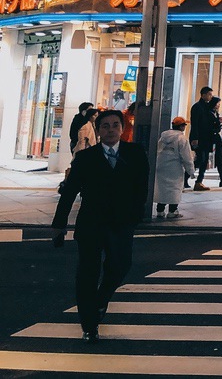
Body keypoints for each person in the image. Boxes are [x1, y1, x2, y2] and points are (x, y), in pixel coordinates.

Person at [51, 109, 149, 342]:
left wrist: (137, 215)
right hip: (91, 224)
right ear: (98, 130)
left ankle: (102, 298)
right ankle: (89, 325)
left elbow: (141, 187)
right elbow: (70, 192)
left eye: (115, 125)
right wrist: (59, 223)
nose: (111, 130)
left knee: (121, 265)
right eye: (105, 126)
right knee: (87, 273)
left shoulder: (135, 153)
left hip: (122, 223)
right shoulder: (86, 158)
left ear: (122, 128)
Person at [155, 117, 194, 218]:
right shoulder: (182, 138)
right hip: (175, 167)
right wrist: (191, 171)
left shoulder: (163, 137)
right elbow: (187, 156)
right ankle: (172, 211)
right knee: (175, 188)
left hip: (161, 165)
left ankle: (160, 210)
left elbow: (157, 151)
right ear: (181, 126)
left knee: (161, 188)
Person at [189, 86, 217, 190]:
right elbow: (195, 123)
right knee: (200, 159)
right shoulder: (197, 107)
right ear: (203, 94)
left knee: (204, 160)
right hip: (199, 137)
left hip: (206, 138)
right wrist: (195, 138)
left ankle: (199, 181)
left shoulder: (207, 107)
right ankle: (186, 177)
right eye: (209, 94)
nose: (210, 96)